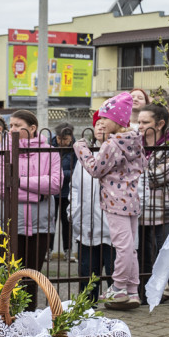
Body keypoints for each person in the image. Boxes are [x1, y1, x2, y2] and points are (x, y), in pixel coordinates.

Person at [73, 92, 145, 310]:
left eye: (105, 118)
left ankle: (119, 286)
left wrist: (81, 149)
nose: (101, 122)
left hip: (115, 201)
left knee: (122, 246)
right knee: (130, 247)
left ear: (117, 120)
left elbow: (95, 169)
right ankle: (133, 290)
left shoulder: (112, 144)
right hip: (132, 199)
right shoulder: (134, 140)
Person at [10, 110, 62, 309]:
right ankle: (10, 314)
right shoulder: (5, 150)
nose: (12, 129)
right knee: (12, 277)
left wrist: (20, 182)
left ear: (32, 128)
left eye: (17, 125)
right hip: (14, 222)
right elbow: (2, 187)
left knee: (33, 276)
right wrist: (37, 194)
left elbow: (55, 184)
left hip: (41, 223)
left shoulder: (50, 151)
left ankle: (30, 316)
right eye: (11, 125)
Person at [136, 102, 169, 304]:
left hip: (164, 211)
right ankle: (144, 298)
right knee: (142, 258)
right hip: (139, 211)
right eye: (139, 121)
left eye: (145, 122)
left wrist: (134, 172)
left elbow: (158, 176)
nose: (140, 126)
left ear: (159, 124)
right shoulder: (134, 145)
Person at [68, 121, 113, 303]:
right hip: (87, 225)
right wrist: (74, 212)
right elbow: (75, 187)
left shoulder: (120, 153)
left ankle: (116, 306)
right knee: (87, 273)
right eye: (97, 124)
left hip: (113, 228)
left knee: (114, 273)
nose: (101, 127)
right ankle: (87, 307)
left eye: (105, 123)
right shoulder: (86, 156)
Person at [50, 121, 76, 261]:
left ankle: (68, 250)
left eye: (65, 139)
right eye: (60, 139)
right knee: (50, 221)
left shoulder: (77, 148)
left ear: (71, 137)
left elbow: (76, 170)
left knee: (67, 222)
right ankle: (48, 250)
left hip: (68, 190)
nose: (62, 142)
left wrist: (58, 174)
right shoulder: (49, 146)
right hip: (51, 191)